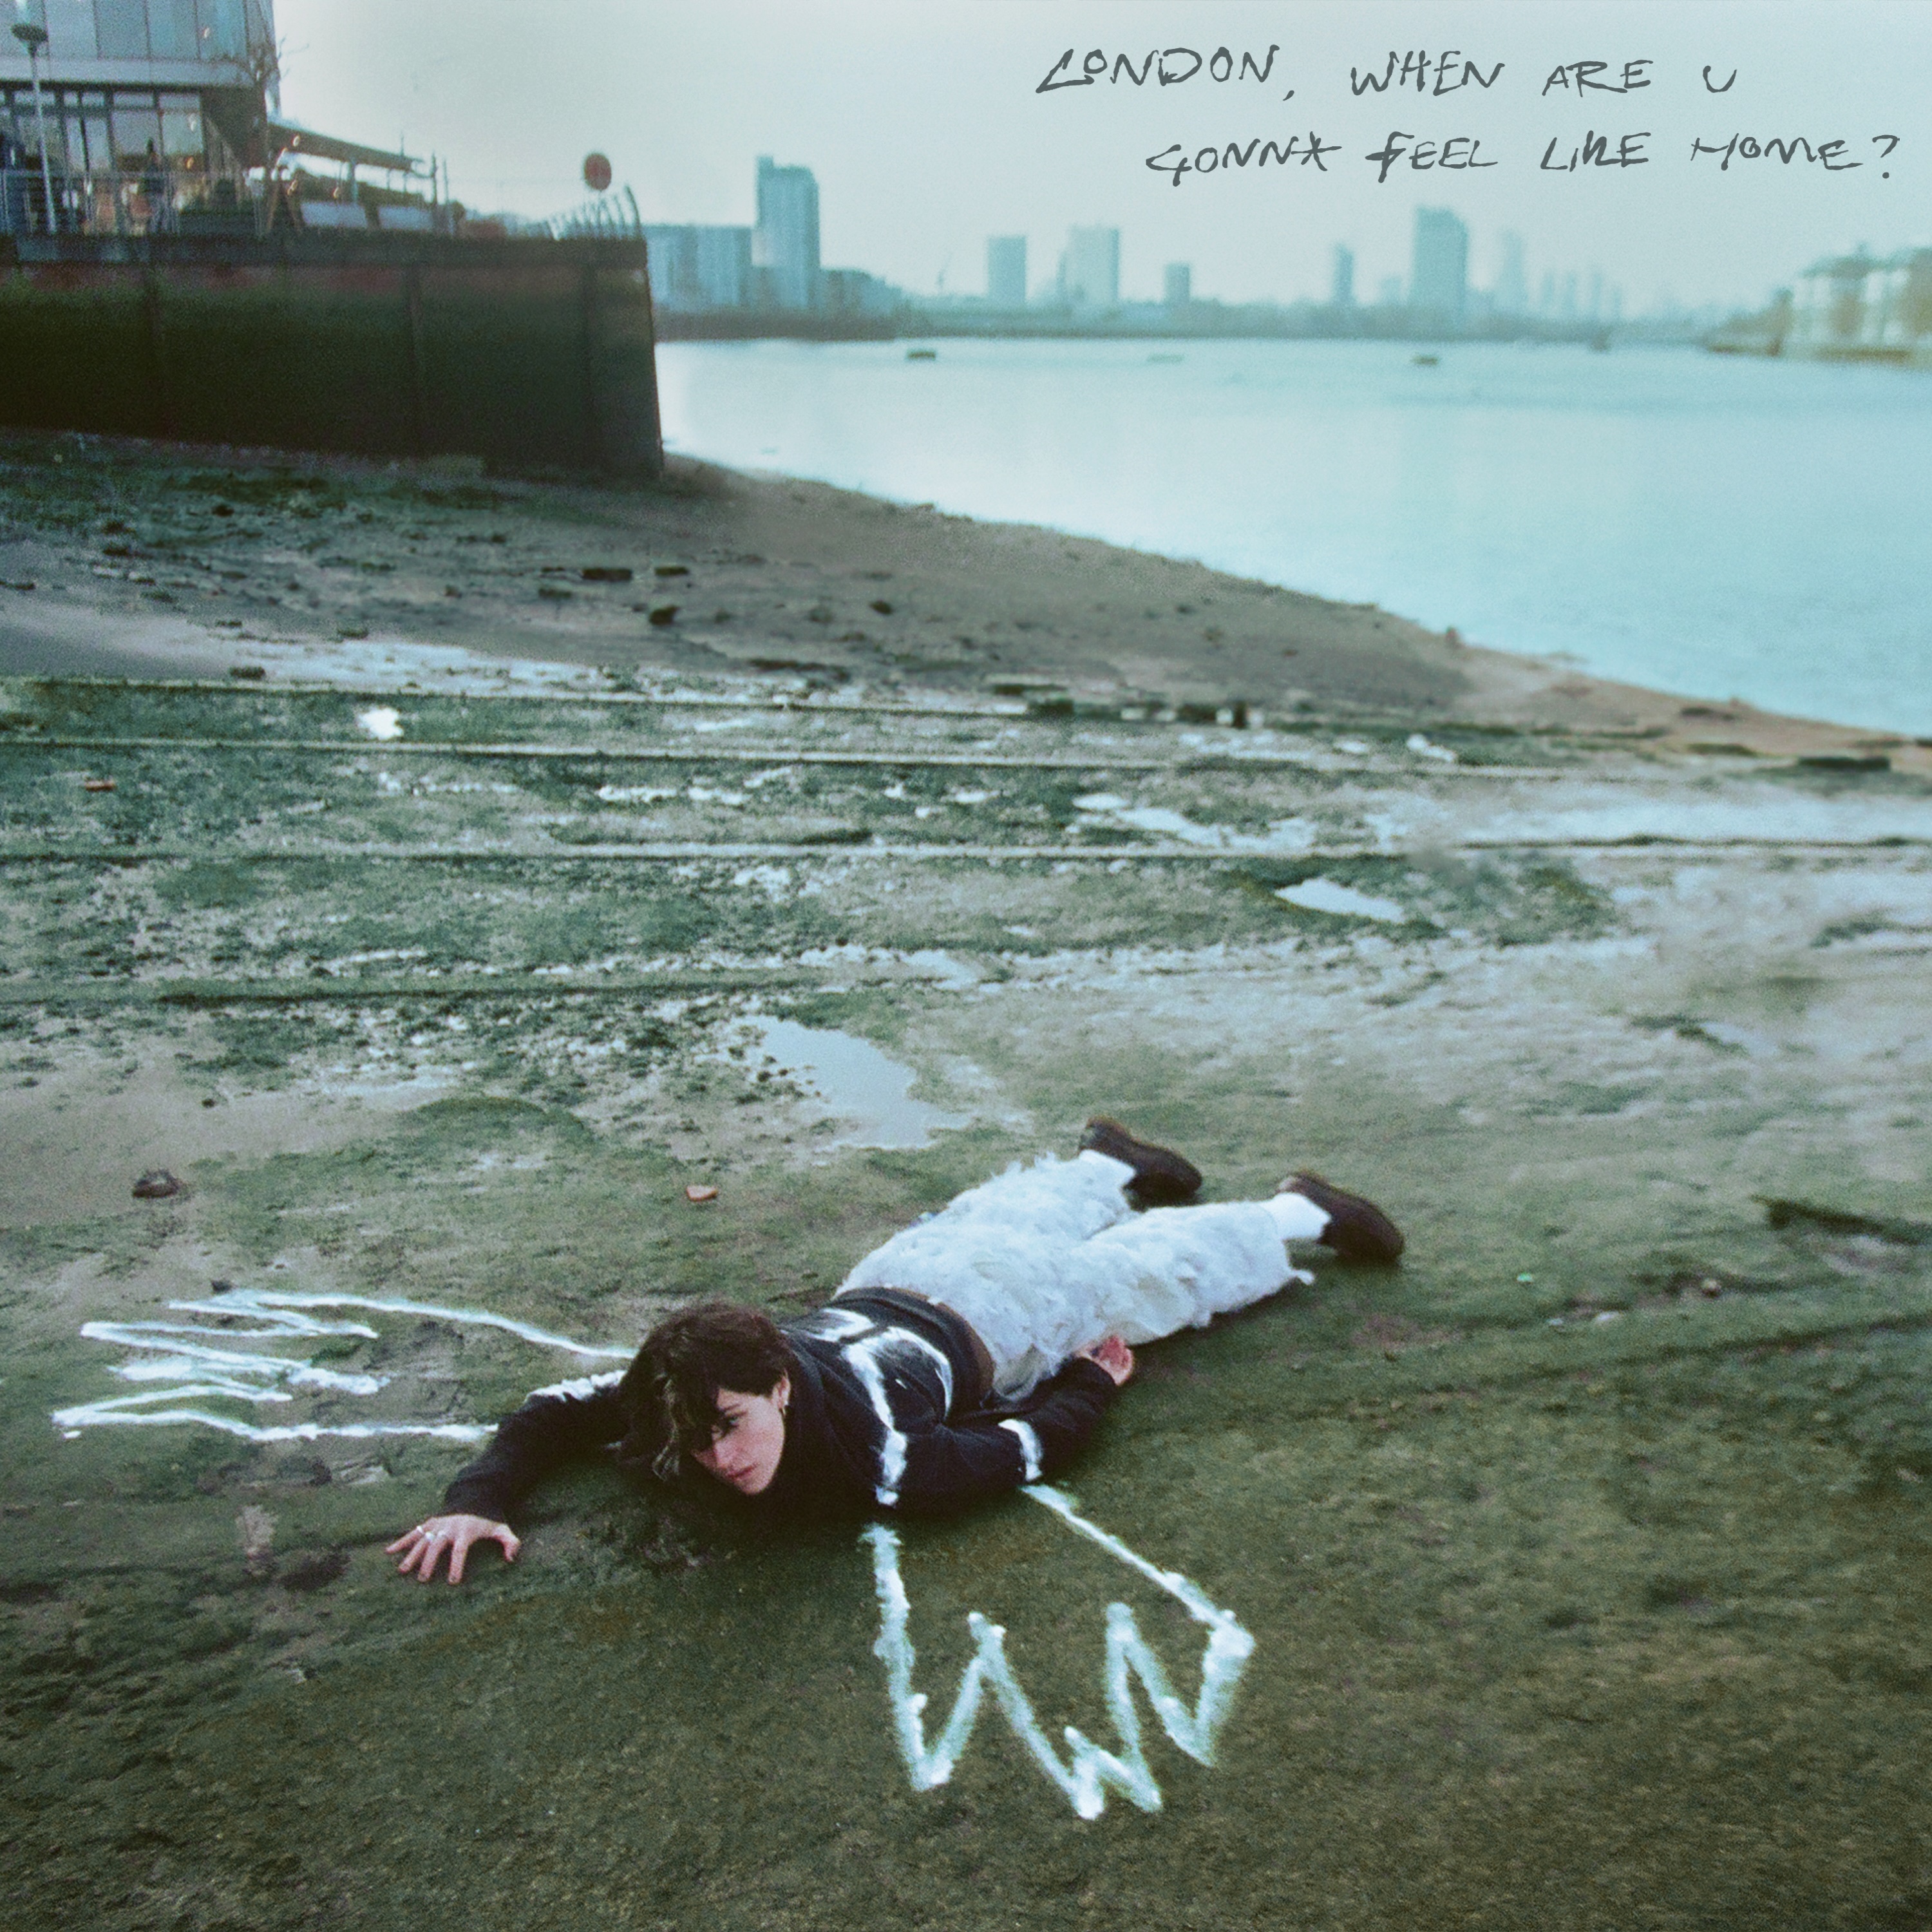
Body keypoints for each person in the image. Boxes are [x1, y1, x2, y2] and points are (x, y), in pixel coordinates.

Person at [388, 1119, 1404, 1584]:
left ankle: (1299, 1214)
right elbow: (550, 1411)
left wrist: (1088, 1381)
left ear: (778, 1389)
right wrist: (478, 1498)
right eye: (698, 1439)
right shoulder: (683, 1390)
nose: (717, 1456)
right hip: (898, 1272)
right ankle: (1105, 1163)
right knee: (995, 1215)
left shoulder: (878, 1453)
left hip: (1003, 1316)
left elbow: (1019, 1449)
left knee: (1143, 1279)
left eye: (732, 1427)